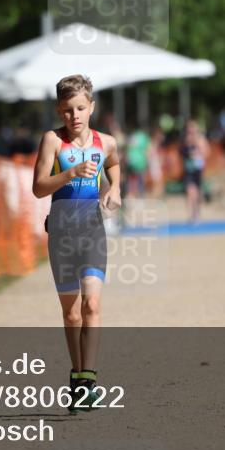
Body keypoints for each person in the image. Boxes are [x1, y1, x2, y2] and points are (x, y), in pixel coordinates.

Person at [32, 74, 121, 413]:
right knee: (71, 315)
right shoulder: (53, 142)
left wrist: (115, 189)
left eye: (81, 108)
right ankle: (76, 378)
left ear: (92, 107)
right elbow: (39, 187)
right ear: (59, 110)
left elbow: (114, 164)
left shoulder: (106, 142)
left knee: (92, 307)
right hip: (62, 234)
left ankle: (88, 380)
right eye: (68, 110)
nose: (75, 116)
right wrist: (69, 174)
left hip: (92, 231)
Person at [180, 119, 209, 223]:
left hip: (198, 168)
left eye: (193, 128)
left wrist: (198, 150)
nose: (191, 130)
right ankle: (190, 214)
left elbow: (206, 153)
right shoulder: (185, 140)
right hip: (188, 169)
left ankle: (197, 212)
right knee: (190, 191)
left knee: (197, 192)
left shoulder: (201, 139)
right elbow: (182, 153)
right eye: (189, 128)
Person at [124, 127, 150, 198]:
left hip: (131, 160)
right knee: (140, 181)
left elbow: (127, 148)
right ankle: (139, 196)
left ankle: (129, 195)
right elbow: (147, 151)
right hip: (140, 161)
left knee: (130, 180)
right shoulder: (144, 137)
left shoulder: (131, 136)